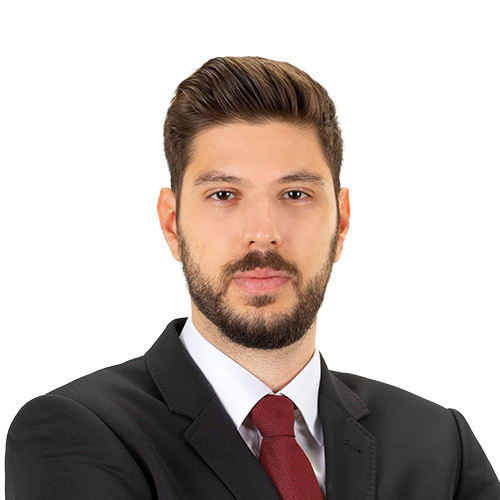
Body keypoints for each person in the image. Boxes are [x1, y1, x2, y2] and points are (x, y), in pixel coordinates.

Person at [5, 56, 499, 500]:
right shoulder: (79, 432)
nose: (263, 234)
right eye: (224, 195)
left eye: (296, 194)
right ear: (172, 224)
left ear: (342, 222)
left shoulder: (439, 445)